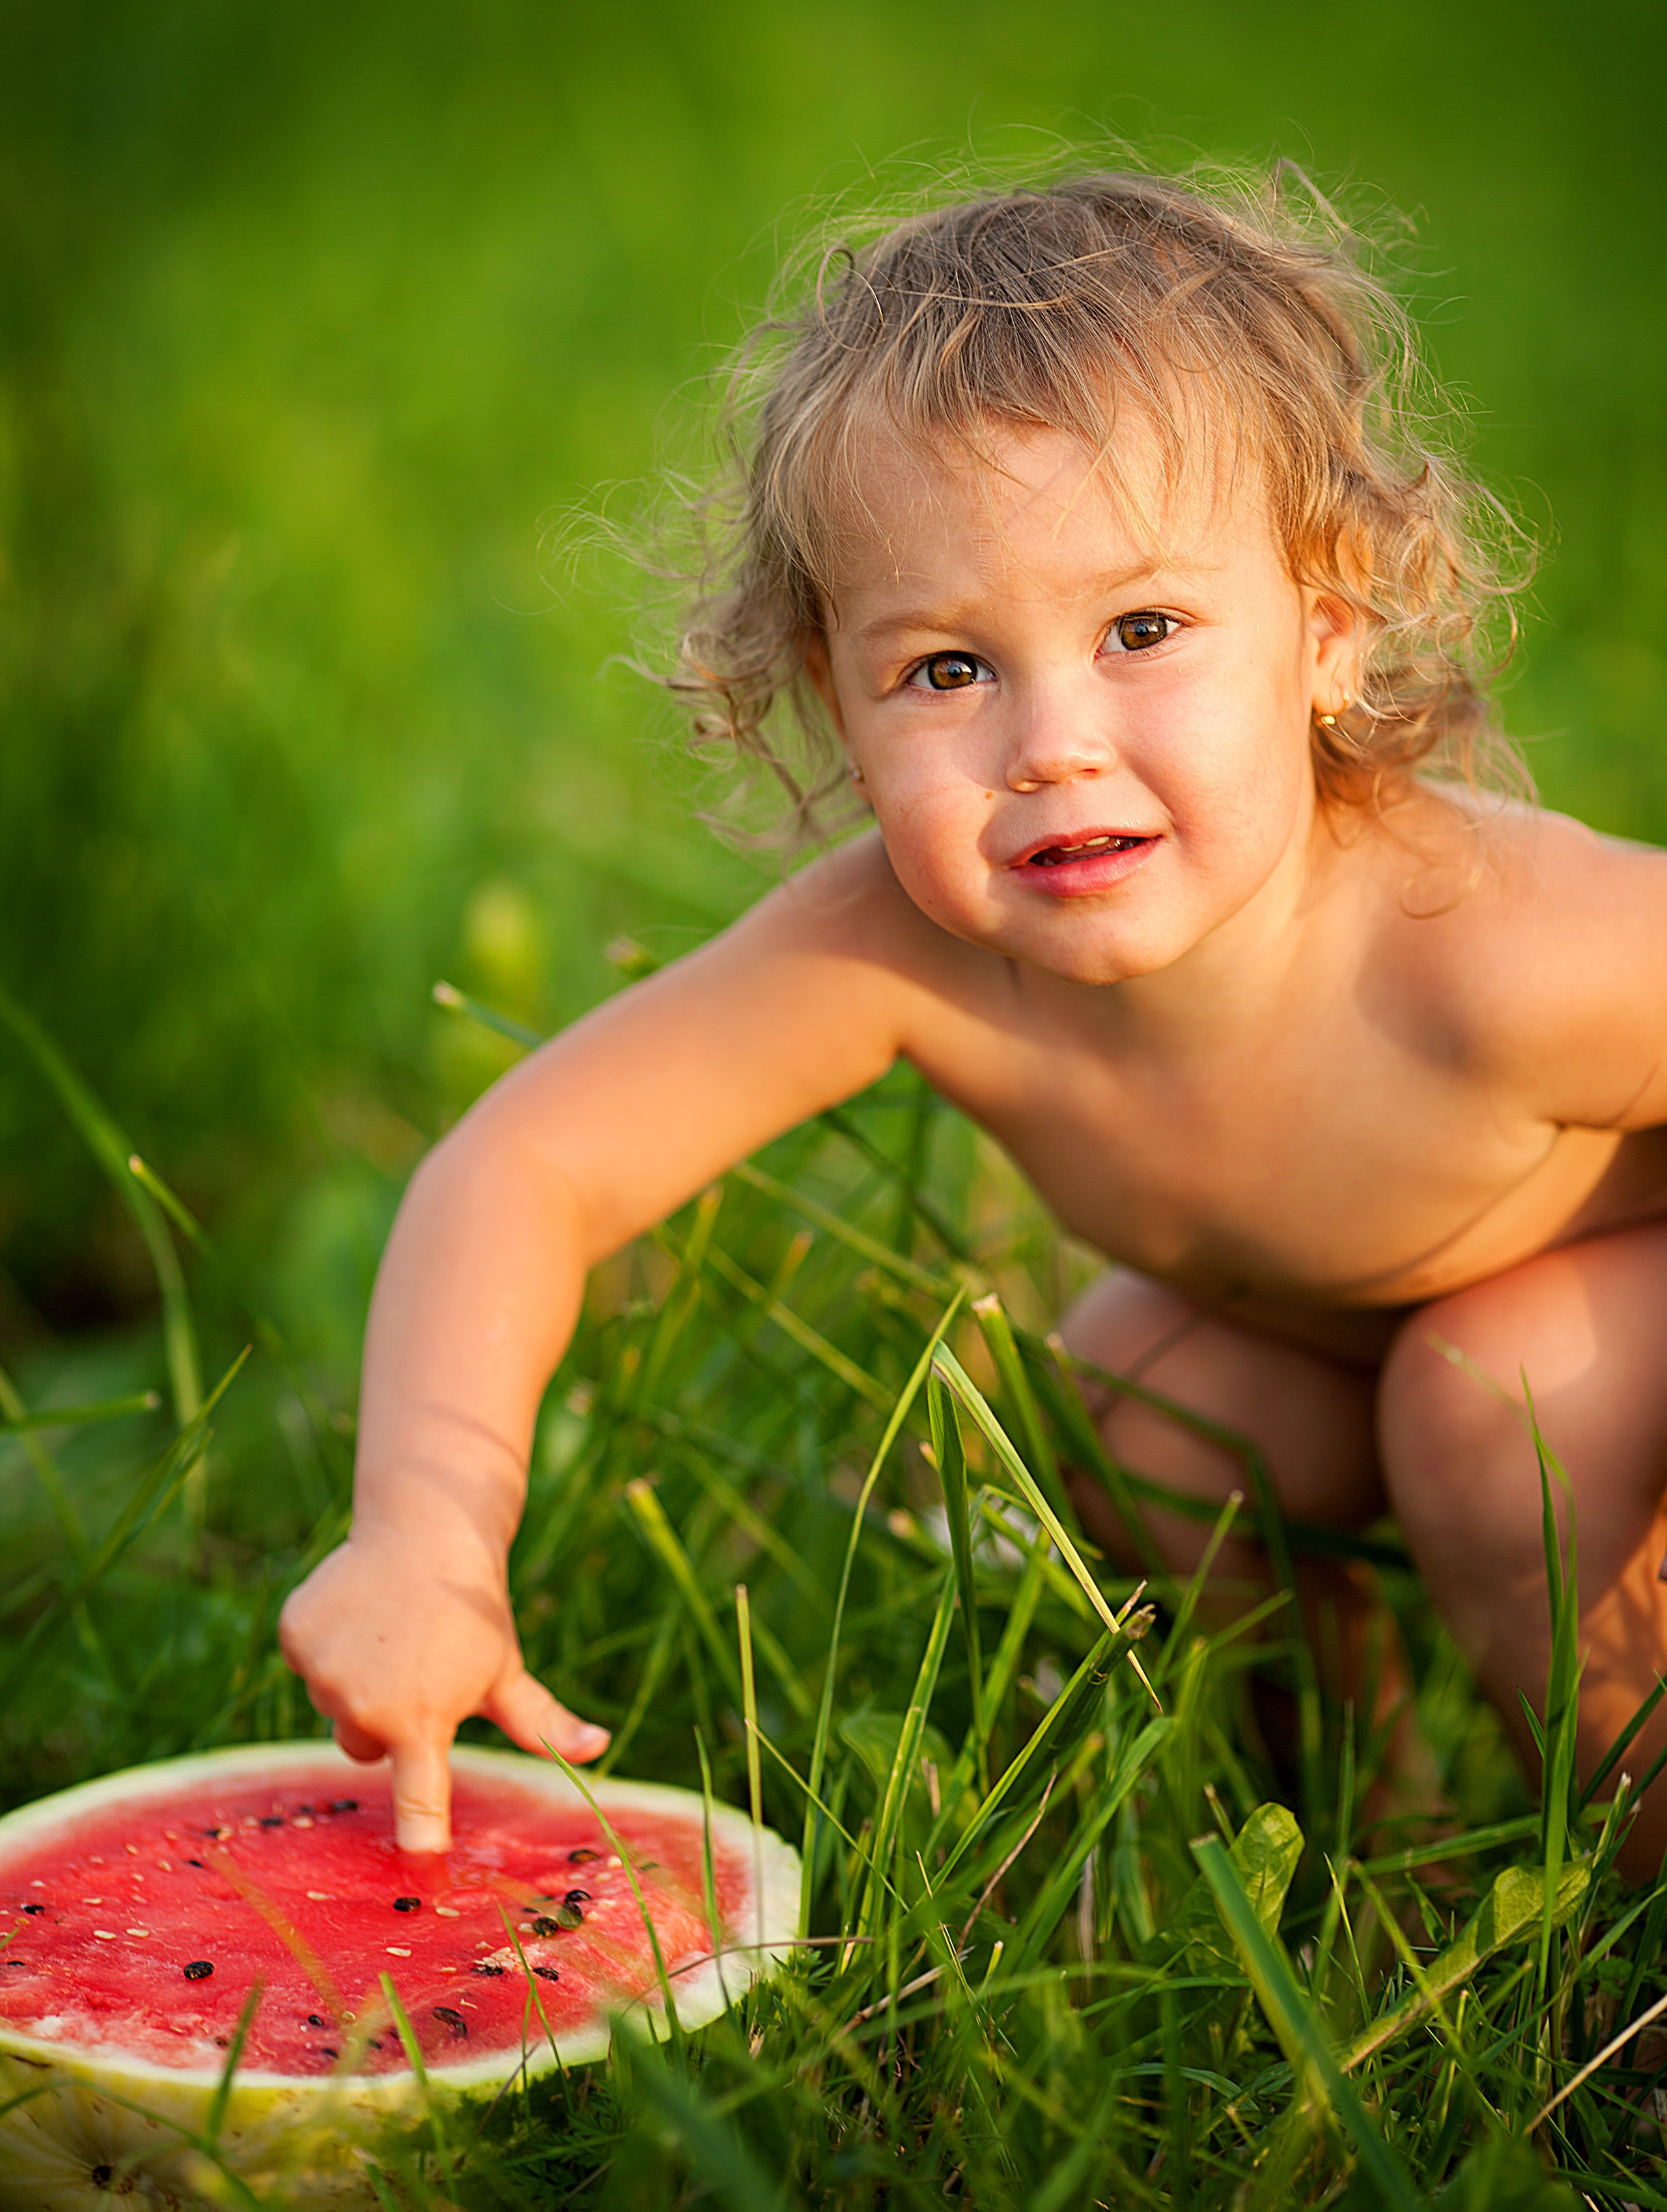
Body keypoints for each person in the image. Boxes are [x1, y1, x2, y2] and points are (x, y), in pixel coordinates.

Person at [279, 167, 1667, 1868]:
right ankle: (1343, 1832)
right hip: (1328, 1342)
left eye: (1143, 629)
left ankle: (1628, 1901)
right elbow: (532, 1168)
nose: (1051, 742)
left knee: (1495, 1398)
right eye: (948, 670)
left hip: (1594, 1334)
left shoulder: (1499, 953)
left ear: (1325, 633)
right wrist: (425, 1529)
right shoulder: (901, 949)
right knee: (1141, 1396)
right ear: (832, 706)